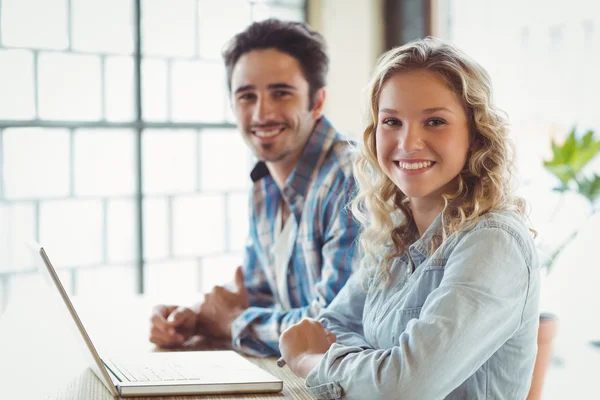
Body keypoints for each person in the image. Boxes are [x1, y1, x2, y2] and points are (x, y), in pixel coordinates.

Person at [279, 37, 540, 399]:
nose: (408, 142)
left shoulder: (493, 241)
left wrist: (310, 360)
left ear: (476, 135)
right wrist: (381, 367)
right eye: (391, 122)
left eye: (434, 121)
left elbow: (402, 388)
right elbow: (332, 326)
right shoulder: (395, 236)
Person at [148, 19, 360, 357]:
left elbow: (335, 327)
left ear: (317, 102)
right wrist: (193, 318)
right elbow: (257, 292)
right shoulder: (265, 181)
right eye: (247, 96)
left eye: (281, 93)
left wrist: (234, 324)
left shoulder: (350, 179)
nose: (262, 113)